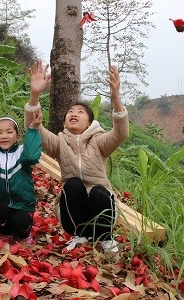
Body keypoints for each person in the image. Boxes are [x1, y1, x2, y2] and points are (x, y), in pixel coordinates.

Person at [23, 61, 129, 253]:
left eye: (80, 112)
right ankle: (79, 236)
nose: (74, 113)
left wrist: (115, 97)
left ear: (89, 122)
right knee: (72, 184)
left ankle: (106, 239)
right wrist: (35, 94)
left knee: (99, 191)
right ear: (64, 121)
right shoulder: (59, 142)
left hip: (101, 207)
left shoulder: (100, 141)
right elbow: (33, 128)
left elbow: (121, 133)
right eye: (70, 112)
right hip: (72, 212)